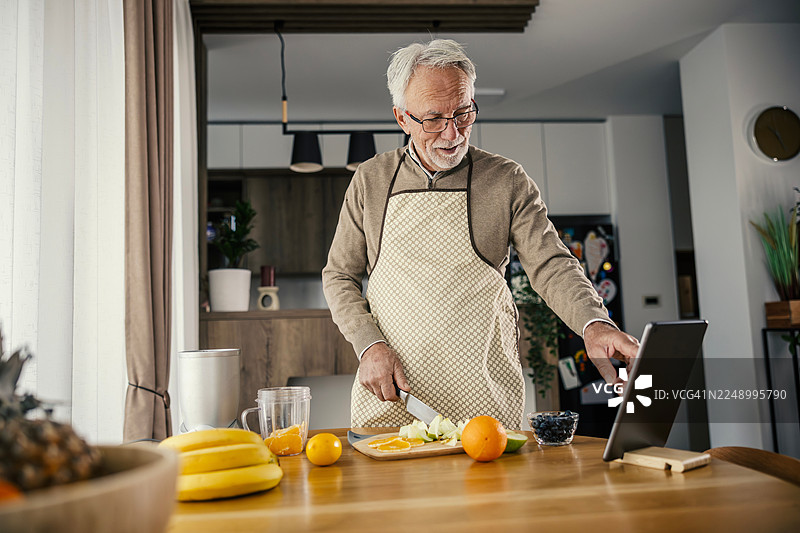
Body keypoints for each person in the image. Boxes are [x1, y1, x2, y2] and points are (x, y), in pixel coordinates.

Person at [322, 39, 639, 429]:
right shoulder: (371, 179)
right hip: (393, 394)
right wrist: (368, 343)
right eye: (434, 118)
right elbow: (339, 276)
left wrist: (594, 323)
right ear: (402, 118)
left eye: (464, 112)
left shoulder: (506, 180)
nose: (453, 133)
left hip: (485, 395)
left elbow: (551, 264)